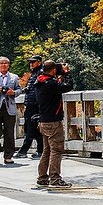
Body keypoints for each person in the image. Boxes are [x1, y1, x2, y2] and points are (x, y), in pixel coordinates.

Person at [35, 60, 73, 188]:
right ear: (54, 70)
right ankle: (55, 178)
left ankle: (42, 177)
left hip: (43, 121)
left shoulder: (39, 81)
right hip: (53, 122)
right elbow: (67, 87)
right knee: (56, 150)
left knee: (47, 150)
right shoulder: (50, 84)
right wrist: (67, 73)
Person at [0, 56, 21, 165]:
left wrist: (13, 93)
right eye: (1, 63)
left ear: (9, 65)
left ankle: (8, 155)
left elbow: (19, 89)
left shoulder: (14, 77)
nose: (3, 65)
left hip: (9, 106)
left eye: (6, 63)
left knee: (9, 133)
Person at [15, 55, 44, 159]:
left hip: (35, 105)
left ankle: (23, 150)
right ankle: (40, 150)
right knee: (33, 129)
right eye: (30, 62)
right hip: (30, 103)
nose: (31, 64)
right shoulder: (34, 74)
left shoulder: (40, 72)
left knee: (30, 128)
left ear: (39, 62)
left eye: (33, 62)